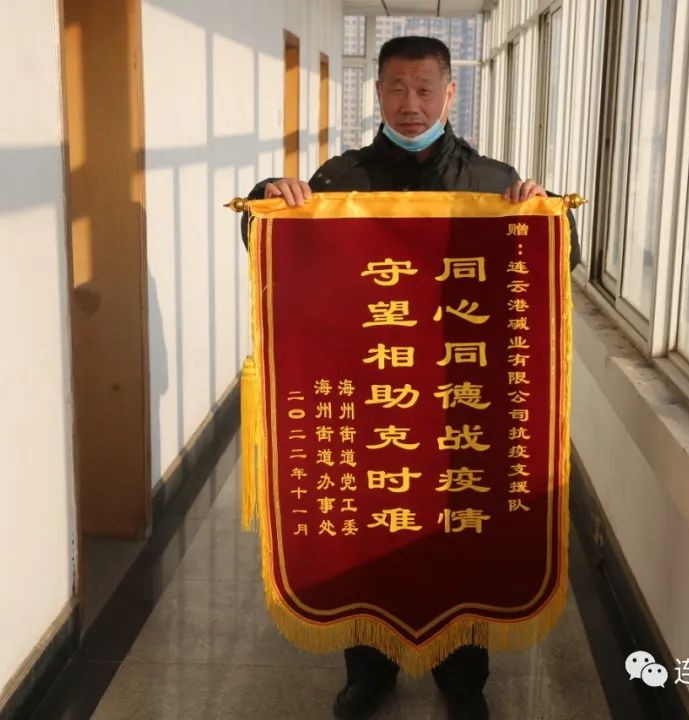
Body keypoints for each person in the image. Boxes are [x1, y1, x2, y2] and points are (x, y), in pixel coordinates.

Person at [241, 35, 579, 720]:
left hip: (463, 403)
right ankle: (368, 673)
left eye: (425, 89)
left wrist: (545, 215)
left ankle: (463, 680)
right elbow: (271, 250)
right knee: (374, 536)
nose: (411, 104)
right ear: (377, 93)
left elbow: (554, 268)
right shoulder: (339, 182)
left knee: (460, 536)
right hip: (375, 396)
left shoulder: (493, 181)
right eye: (396, 88)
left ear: (450, 94)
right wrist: (269, 197)